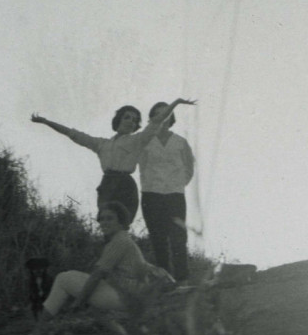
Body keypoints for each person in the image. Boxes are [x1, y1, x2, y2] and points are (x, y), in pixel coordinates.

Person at [31, 99, 195, 221]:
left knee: (121, 225)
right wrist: (46, 122)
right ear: (118, 121)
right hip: (106, 186)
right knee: (105, 223)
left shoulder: (138, 140)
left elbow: (157, 121)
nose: (131, 122)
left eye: (134, 119)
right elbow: (73, 134)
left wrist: (177, 103)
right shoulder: (102, 144)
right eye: (127, 117)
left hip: (125, 186)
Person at [38, 201, 173, 319]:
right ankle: (45, 325)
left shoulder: (120, 241)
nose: (104, 223)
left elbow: (97, 276)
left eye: (110, 219)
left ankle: (39, 330)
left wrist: (78, 304)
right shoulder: (122, 239)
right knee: (69, 276)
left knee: (63, 279)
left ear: (121, 222)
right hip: (130, 295)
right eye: (102, 219)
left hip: (126, 298)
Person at [139, 100, 196, 282]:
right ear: (152, 117)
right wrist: (150, 184)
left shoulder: (180, 142)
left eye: (167, 113)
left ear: (172, 117)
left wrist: (177, 184)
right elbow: (141, 165)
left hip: (175, 195)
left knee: (179, 238)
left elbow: (189, 167)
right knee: (158, 239)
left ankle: (182, 280)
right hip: (151, 195)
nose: (163, 117)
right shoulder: (146, 140)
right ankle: (165, 281)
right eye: (158, 113)